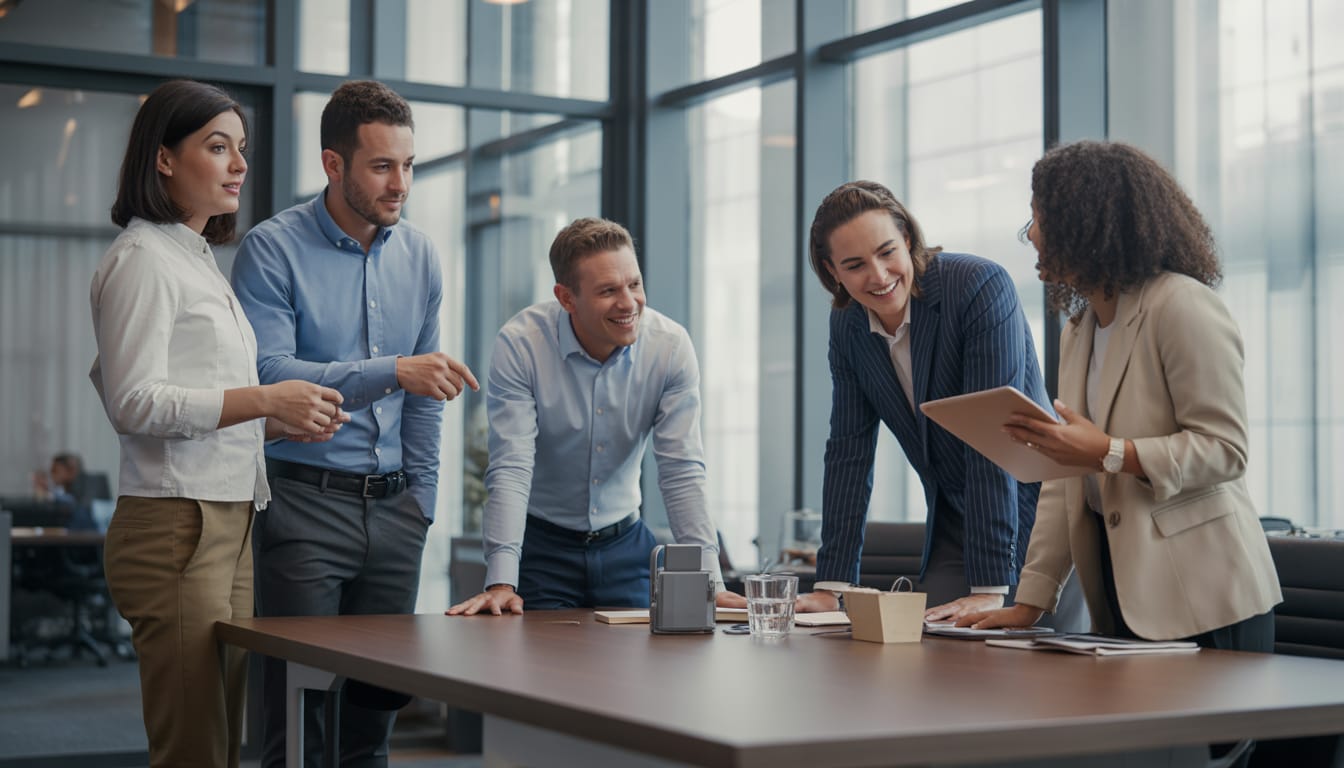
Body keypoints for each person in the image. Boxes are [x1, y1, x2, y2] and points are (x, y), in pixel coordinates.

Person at [90, 79, 347, 768]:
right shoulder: (143, 259)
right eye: (217, 146)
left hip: (226, 519)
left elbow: (199, 406)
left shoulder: (195, 256)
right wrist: (264, 400)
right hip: (177, 525)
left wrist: (279, 420)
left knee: (217, 740)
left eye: (242, 149)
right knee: (194, 749)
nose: (239, 164)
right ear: (164, 158)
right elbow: (134, 403)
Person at [230, 79, 478, 768]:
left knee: (373, 725)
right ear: (333, 165)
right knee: (300, 723)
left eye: (408, 165)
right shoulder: (271, 250)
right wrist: (389, 371)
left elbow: (428, 393)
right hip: (306, 509)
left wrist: (422, 503)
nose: (400, 184)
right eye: (381, 166)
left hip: (396, 513)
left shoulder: (421, 255)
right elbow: (270, 375)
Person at [959, 140, 1282, 652]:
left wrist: (1111, 452)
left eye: (1040, 218)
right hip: (1121, 590)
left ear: (1085, 222)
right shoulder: (1079, 327)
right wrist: (1032, 599)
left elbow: (1226, 450)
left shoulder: (1181, 305)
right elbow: (1063, 478)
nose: (1032, 235)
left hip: (1207, 595)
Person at [797, 180, 1065, 623]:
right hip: (954, 518)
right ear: (832, 272)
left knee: (1010, 661)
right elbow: (848, 452)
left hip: (1032, 509)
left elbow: (992, 436)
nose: (879, 277)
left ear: (907, 239)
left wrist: (990, 587)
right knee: (930, 648)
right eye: (855, 265)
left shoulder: (977, 287)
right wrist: (832, 586)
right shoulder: (847, 325)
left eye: (887, 252)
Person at [447, 217, 744, 616]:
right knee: (538, 673)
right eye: (608, 291)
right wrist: (502, 580)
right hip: (543, 551)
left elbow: (681, 470)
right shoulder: (521, 345)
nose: (628, 303)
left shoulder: (669, 348)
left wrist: (710, 579)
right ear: (566, 298)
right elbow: (511, 466)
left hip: (626, 546)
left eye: (634, 284)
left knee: (636, 674)